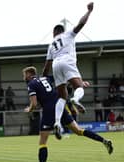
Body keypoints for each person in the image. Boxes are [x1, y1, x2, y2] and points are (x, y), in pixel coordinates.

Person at [22, 66, 113, 162]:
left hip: (49, 110)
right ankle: (104, 141)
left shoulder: (31, 84)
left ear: (30, 74)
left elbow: (34, 104)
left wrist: (29, 109)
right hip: (60, 106)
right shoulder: (45, 78)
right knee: (79, 131)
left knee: (42, 142)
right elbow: (66, 79)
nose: (24, 77)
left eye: (24, 75)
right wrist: (81, 83)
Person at [42, 2, 94, 139]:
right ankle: (76, 99)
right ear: (62, 31)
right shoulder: (67, 35)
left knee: (61, 97)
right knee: (79, 86)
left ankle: (58, 123)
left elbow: (46, 67)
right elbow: (80, 24)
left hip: (55, 65)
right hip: (67, 60)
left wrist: (43, 80)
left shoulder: (51, 45)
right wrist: (89, 12)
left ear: (54, 32)